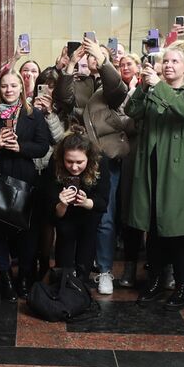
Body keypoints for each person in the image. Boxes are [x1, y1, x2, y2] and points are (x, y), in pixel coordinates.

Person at [125, 46, 184, 310]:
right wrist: (143, 87)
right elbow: (132, 111)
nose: (168, 65)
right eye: (165, 61)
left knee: (178, 232)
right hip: (151, 166)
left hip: (177, 170)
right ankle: (155, 280)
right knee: (153, 229)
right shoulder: (153, 88)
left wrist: (158, 85)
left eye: (174, 61)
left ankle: (182, 286)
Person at [54, 37, 130, 295]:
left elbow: (118, 91)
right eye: (88, 56)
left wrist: (105, 61)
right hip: (77, 156)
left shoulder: (110, 86)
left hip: (104, 159)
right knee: (75, 213)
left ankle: (105, 270)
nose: (91, 59)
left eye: (94, 55)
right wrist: (71, 64)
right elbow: (63, 97)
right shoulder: (79, 82)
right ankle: (75, 269)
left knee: (104, 217)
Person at [0, 67, 52, 301]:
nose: (8, 89)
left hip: (25, 177)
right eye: (4, 86)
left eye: (13, 85)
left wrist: (21, 148)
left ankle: (23, 279)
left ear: (21, 87)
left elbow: (43, 145)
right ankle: (6, 277)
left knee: (26, 233)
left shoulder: (33, 114)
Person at [43, 131, 110, 286]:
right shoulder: (55, 163)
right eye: (69, 161)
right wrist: (62, 204)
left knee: (85, 253)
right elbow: (52, 212)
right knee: (64, 258)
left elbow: (102, 202)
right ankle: (63, 290)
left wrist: (86, 202)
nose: (74, 167)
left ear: (89, 158)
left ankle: (81, 289)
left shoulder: (101, 161)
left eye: (79, 162)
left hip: (89, 213)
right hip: (64, 215)